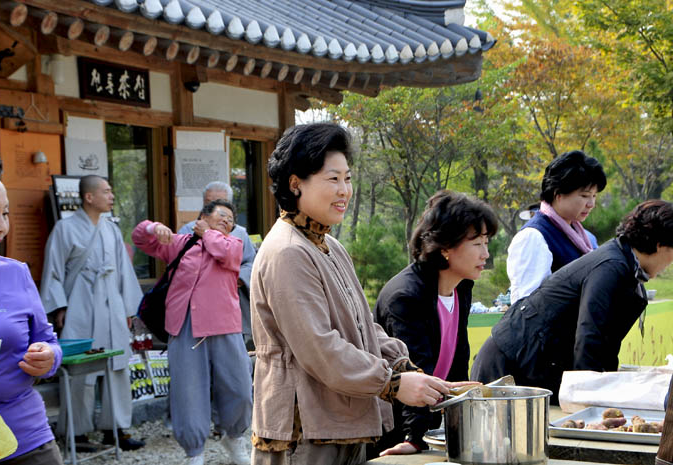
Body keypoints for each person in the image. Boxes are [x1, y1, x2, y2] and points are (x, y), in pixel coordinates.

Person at [250, 123, 455, 465]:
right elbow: (320, 348)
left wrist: (404, 367)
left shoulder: (329, 245)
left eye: (347, 178)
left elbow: (362, 326)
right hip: (303, 432)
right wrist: (391, 382)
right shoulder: (287, 251)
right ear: (295, 183)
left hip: (342, 421)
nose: (344, 190)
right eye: (333, 179)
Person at [472, 200, 673, 402]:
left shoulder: (625, 265)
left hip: (532, 364)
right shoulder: (612, 267)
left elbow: (605, 344)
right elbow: (591, 336)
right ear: (659, 245)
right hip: (510, 365)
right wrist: (593, 401)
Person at [374, 190, 498, 456]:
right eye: (477, 244)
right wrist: (414, 438)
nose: (485, 254)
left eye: (486, 242)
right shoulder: (405, 296)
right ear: (446, 247)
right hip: (393, 430)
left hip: (433, 425)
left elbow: (457, 360)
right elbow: (412, 369)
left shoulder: (461, 286)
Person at [133, 199, 252, 465]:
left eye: (231, 219)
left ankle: (233, 437)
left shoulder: (233, 243)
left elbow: (230, 256)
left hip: (225, 326)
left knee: (240, 387)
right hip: (185, 326)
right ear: (203, 217)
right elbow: (140, 238)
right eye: (222, 215)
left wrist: (207, 233)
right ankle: (194, 452)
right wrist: (153, 227)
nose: (227, 221)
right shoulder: (181, 243)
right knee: (188, 392)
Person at [40, 175, 144, 451]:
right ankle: (78, 432)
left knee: (117, 366)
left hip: (112, 304)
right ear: (89, 197)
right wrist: (60, 308)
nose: (111, 196)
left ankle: (116, 428)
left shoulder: (110, 229)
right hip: (80, 305)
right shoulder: (65, 229)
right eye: (106, 191)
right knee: (79, 371)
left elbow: (124, 271)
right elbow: (53, 271)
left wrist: (128, 309)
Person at [0, 151, 64, 464]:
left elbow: (48, 340)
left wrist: (48, 357)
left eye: (5, 214)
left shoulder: (16, 273)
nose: (2, 227)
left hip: (25, 438)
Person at [507, 150, 606, 304]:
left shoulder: (585, 237)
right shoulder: (534, 237)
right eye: (585, 196)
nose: (591, 204)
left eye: (594, 196)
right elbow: (527, 305)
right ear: (558, 194)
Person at [179, 181, 256, 348]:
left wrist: (237, 278)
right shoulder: (188, 229)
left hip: (230, 310)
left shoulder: (239, 233)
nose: (213, 208)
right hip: (196, 311)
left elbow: (251, 263)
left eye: (220, 204)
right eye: (208, 203)